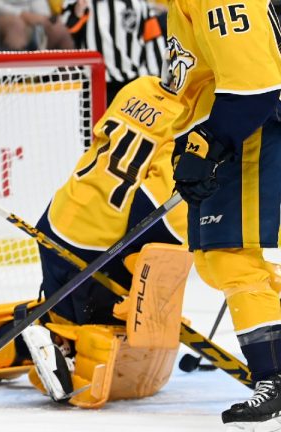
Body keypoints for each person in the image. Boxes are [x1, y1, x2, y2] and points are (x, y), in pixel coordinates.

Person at [0, 74, 194, 408]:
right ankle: (60, 351)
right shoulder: (190, 122)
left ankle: (5, 345)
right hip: (99, 242)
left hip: (59, 217)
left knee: (63, 311)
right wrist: (152, 278)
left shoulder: (139, 88)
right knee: (109, 331)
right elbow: (161, 209)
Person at [166, 0, 281, 427]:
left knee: (231, 257)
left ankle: (273, 375)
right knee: (218, 261)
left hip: (252, 131)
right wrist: (190, 143)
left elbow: (254, 88)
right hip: (235, 129)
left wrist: (210, 143)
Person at [60, 0, 167, 103]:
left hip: (131, 82)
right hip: (93, 84)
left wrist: (156, 81)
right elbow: (66, 30)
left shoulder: (139, 5)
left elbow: (154, 44)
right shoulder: (82, 3)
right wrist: (78, 12)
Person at [0, 0, 74, 50]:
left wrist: (44, 18)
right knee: (15, 25)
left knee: (58, 30)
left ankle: (68, 90)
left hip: (23, 18)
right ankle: (14, 86)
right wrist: (22, 14)